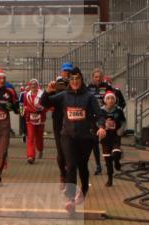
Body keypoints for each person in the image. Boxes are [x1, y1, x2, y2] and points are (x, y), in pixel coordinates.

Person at [40, 67, 106, 214]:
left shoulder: (89, 97)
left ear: (81, 80)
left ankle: (84, 189)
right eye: (72, 79)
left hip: (85, 137)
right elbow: (44, 103)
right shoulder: (64, 96)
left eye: (77, 79)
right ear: (69, 81)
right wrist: (47, 91)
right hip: (68, 136)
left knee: (82, 165)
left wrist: (101, 126)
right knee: (70, 165)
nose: (75, 82)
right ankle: (70, 199)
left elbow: (99, 114)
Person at [87, 67, 125, 175]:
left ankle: (112, 160)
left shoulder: (108, 87)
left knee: (109, 142)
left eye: (99, 77)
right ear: (92, 77)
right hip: (94, 119)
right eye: (96, 77)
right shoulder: (88, 88)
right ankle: (98, 165)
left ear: (103, 77)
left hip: (107, 119)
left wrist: (116, 113)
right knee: (94, 142)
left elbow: (119, 101)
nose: (98, 79)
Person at [99, 91, 127, 187]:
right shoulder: (101, 111)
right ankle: (110, 179)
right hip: (105, 138)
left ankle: (117, 162)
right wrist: (100, 128)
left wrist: (120, 130)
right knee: (107, 159)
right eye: (108, 98)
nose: (110, 100)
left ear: (115, 100)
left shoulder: (118, 110)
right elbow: (97, 121)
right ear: (105, 100)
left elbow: (123, 122)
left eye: (112, 98)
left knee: (115, 154)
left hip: (115, 136)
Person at [22, 79, 46, 163]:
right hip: (30, 119)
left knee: (39, 137)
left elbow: (46, 106)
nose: (33, 87)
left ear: (37, 85)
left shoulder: (42, 94)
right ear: (29, 86)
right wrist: (26, 113)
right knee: (30, 137)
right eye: (31, 85)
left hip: (40, 119)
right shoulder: (26, 95)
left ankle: (40, 149)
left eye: (35, 85)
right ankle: (30, 156)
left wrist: (41, 109)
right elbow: (24, 106)